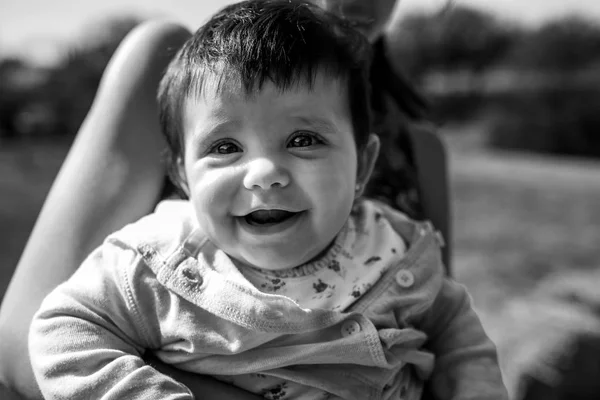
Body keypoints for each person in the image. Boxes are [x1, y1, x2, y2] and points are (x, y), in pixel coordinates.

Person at [28, 1, 507, 399]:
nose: (264, 175)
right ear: (181, 174)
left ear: (364, 165)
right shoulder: (159, 262)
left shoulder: (392, 239)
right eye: (225, 148)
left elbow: (450, 321)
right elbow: (60, 332)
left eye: (303, 140)